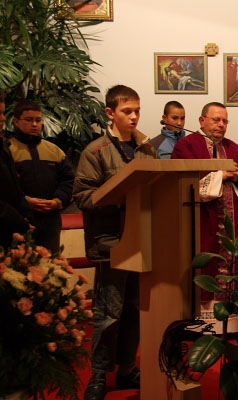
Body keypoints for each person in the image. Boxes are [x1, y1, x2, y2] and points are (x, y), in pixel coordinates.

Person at [72, 85, 157, 400]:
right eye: (127, 111)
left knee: (135, 310)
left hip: (141, 239)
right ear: (110, 113)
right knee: (109, 312)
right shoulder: (95, 151)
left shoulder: (147, 149)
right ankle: (99, 373)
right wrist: (118, 195)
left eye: (137, 111)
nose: (134, 117)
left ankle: (126, 369)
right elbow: (82, 196)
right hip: (111, 241)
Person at [171, 102, 238, 301]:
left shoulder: (233, 148)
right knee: (205, 263)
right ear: (202, 120)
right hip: (203, 220)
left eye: (225, 121)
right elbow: (180, 182)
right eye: (216, 120)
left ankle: (231, 308)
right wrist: (220, 175)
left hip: (232, 223)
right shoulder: (186, 146)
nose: (221, 125)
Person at [9, 100, 74, 253]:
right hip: (19, 219)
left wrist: (57, 201)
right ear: (16, 121)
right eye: (29, 120)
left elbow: (69, 180)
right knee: (20, 263)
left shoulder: (54, 151)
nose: (34, 124)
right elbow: (6, 187)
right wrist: (27, 201)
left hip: (50, 220)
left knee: (51, 262)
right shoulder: (8, 150)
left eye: (38, 120)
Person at [0, 91, 34, 249]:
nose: (3, 118)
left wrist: (26, 216)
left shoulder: (4, 145)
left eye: (3, 113)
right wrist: (17, 220)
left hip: (11, 228)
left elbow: (14, 186)